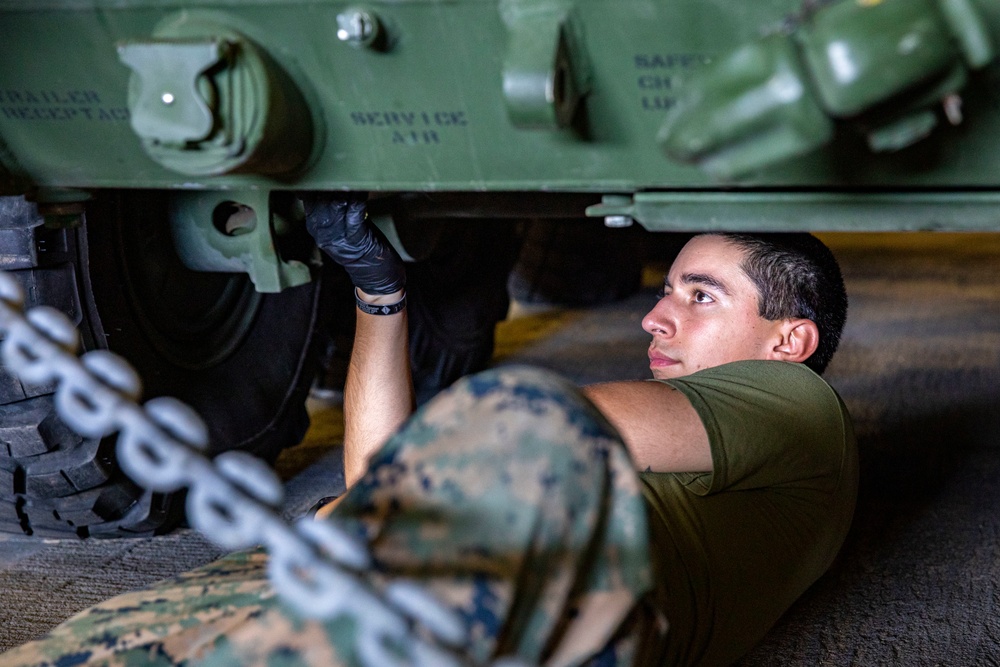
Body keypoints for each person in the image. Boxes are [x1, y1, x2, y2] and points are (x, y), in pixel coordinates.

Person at [1, 196, 856, 667]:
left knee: (518, 407)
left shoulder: (801, 411)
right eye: (665, 290)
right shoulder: (721, 441)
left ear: (790, 341)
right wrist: (381, 294)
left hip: (525, 610)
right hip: (439, 585)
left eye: (698, 295)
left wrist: (362, 509)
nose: (655, 318)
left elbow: (535, 429)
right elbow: (385, 472)